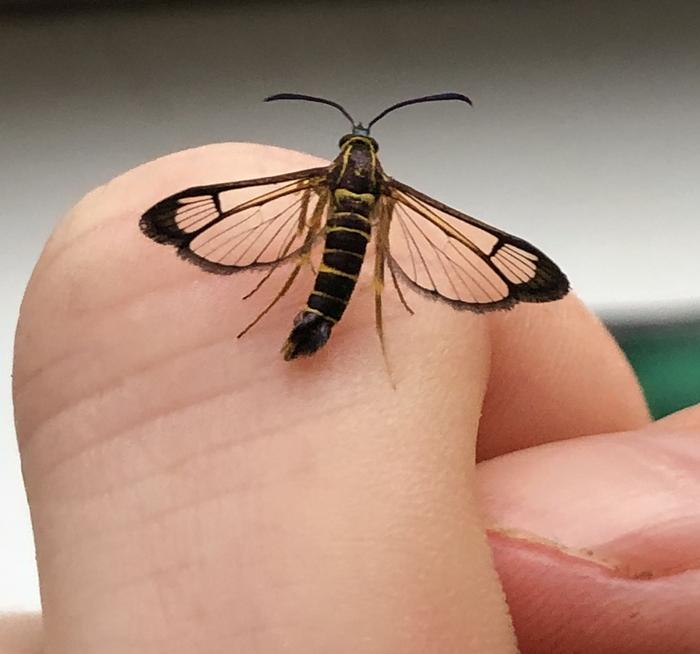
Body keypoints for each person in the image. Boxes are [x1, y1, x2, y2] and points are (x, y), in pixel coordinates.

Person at [7, 144, 700, 653]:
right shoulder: (383, 200)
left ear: (344, 162)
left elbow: (515, 274)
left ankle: (308, 321)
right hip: (348, 289)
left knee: (312, 271)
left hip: (325, 286)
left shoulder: (318, 191)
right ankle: (312, 321)